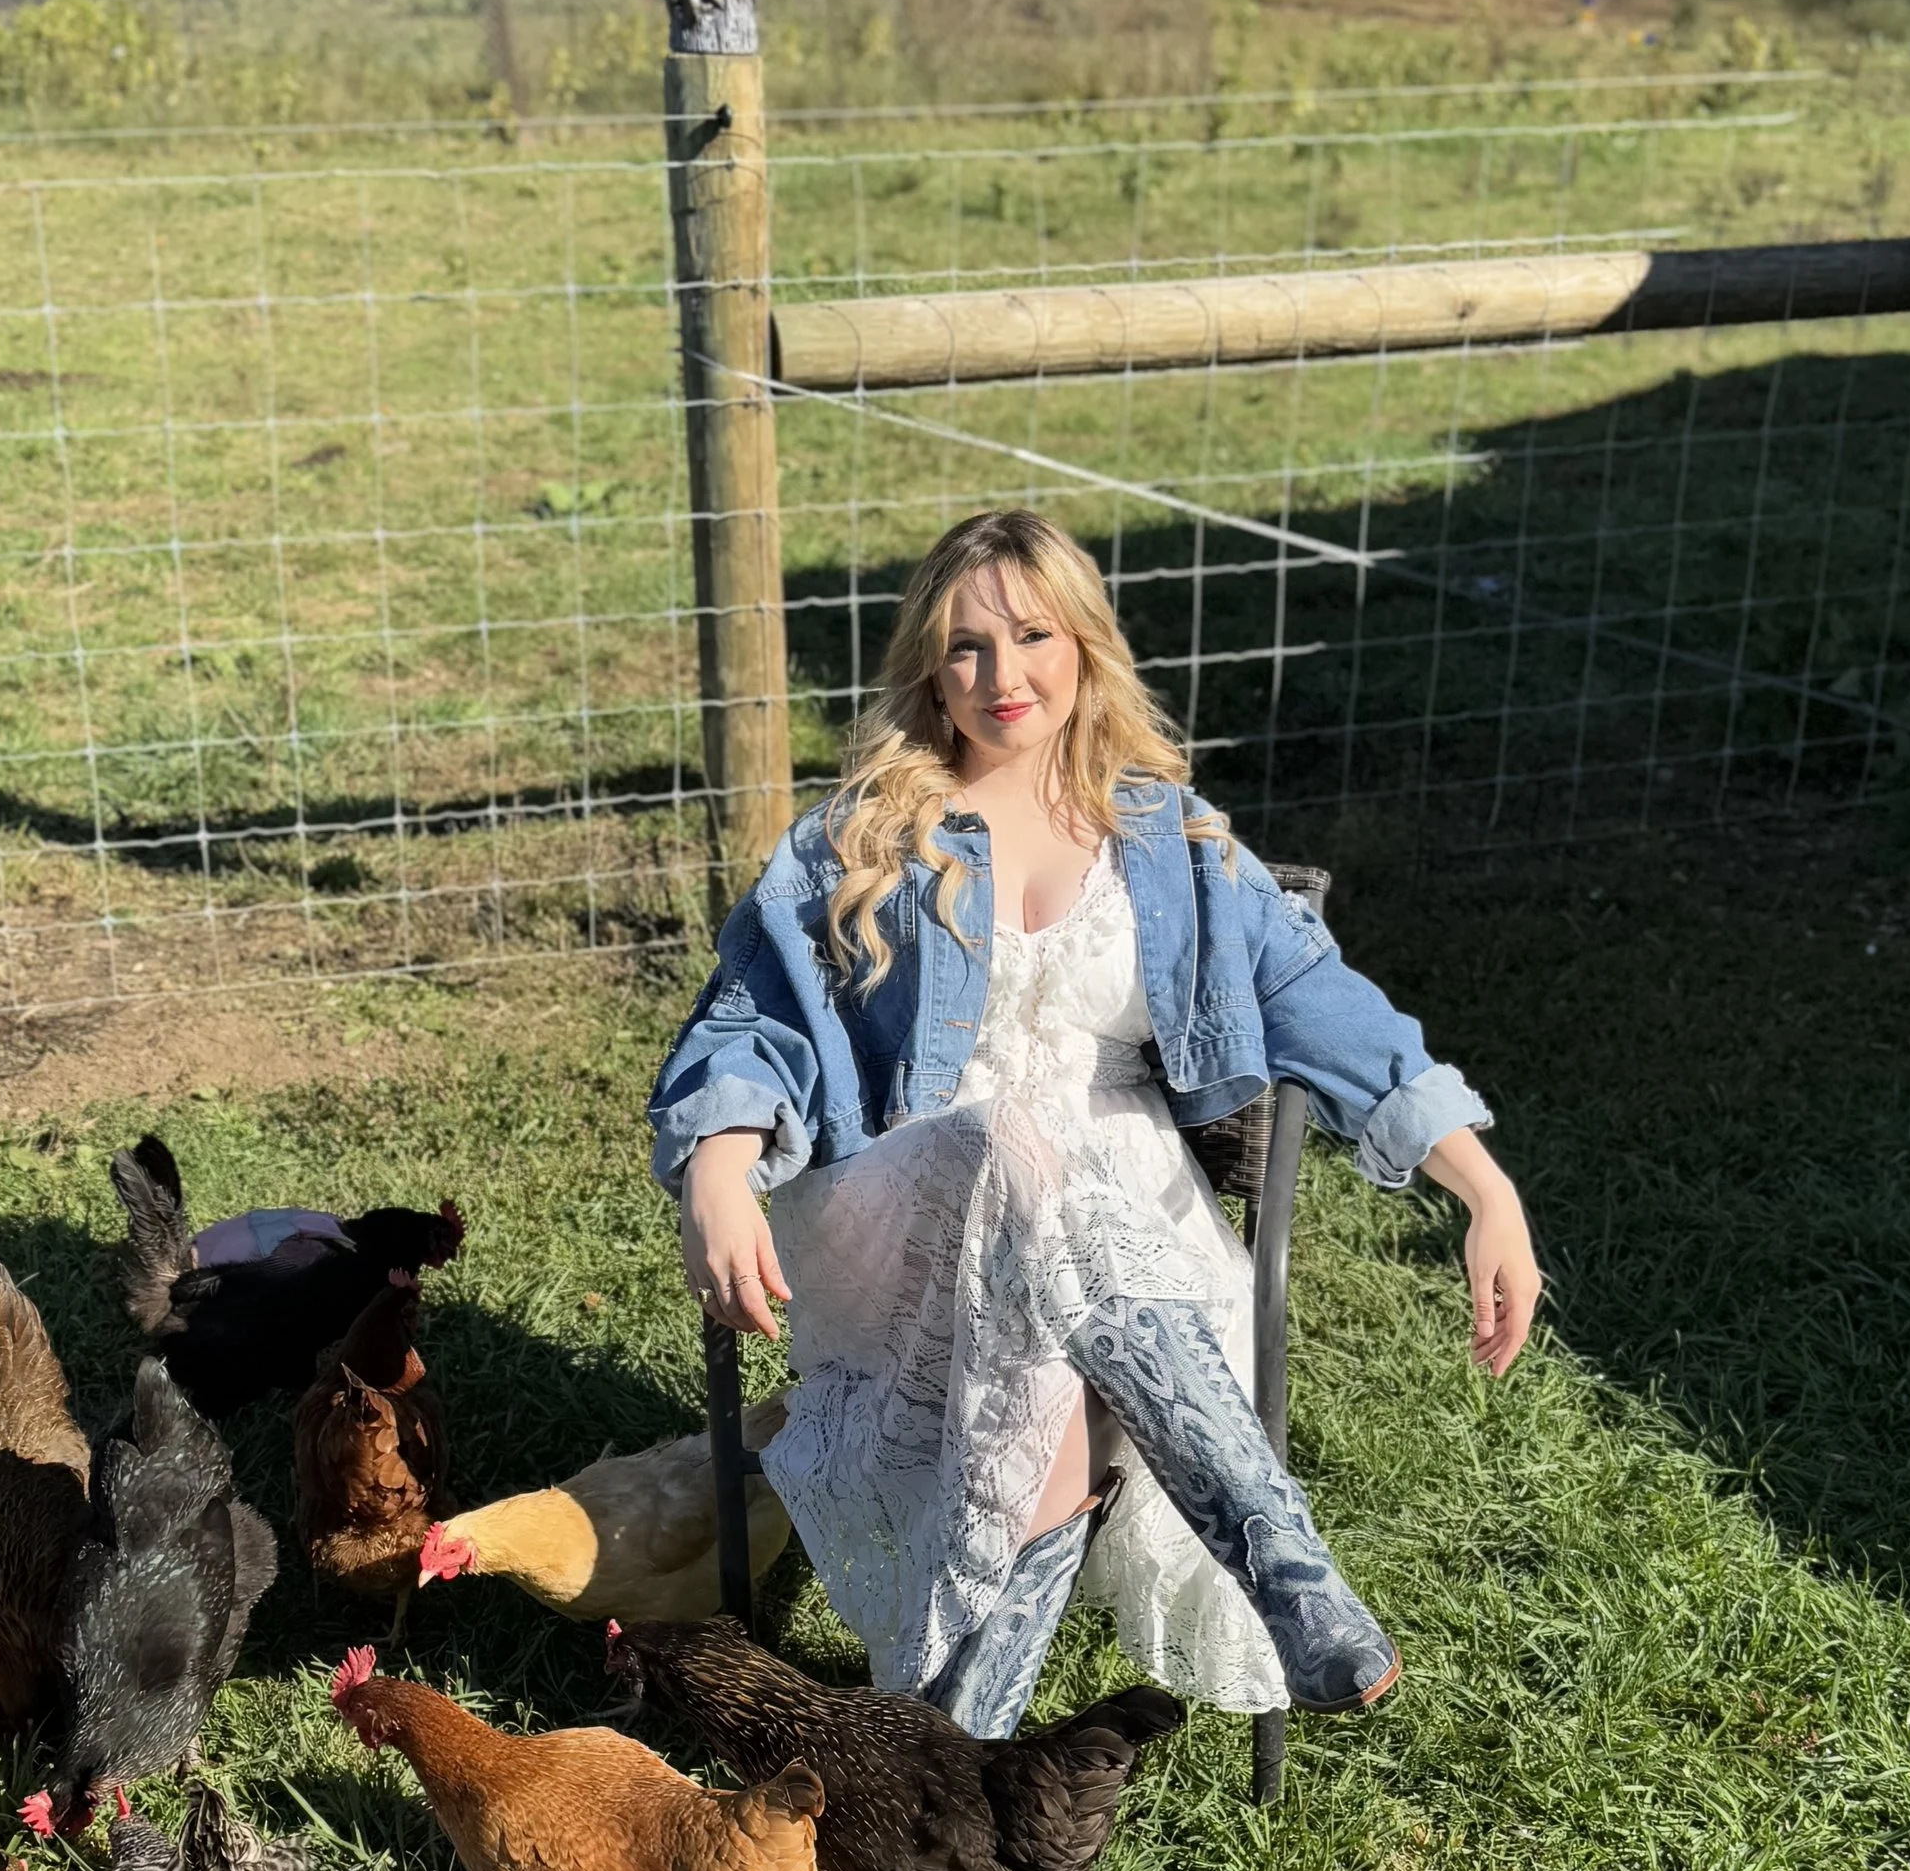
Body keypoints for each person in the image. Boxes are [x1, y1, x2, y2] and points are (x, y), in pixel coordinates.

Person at [649, 508, 1540, 1752]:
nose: (1001, 677)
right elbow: (747, 1029)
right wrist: (720, 1178)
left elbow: (1323, 1010)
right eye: (966, 648)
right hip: (908, 1206)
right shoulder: (859, 838)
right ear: (925, 666)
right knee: (1016, 1142)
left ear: (1085, 645)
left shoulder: (1169, 843)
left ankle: (936, 1805)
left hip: (1125, 1254)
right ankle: (1279, 1557)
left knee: (1050, 1415)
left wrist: (1484, 1188)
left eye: (1032, 635)